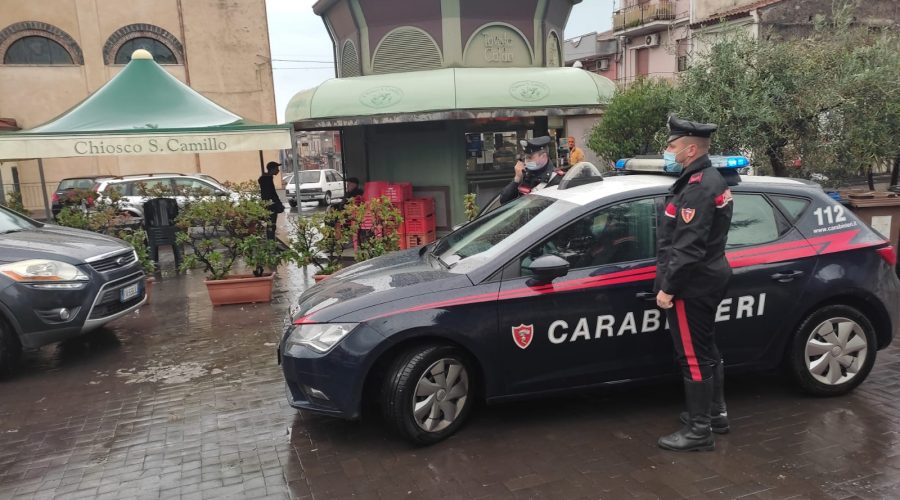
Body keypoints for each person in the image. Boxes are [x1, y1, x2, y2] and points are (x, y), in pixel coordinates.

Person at [654, 115, 734, 452]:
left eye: (671, 147)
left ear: (689, 149)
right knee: (705, 349)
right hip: (708, 277)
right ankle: (714, 414)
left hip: (692, 284)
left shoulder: (699, 187)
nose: (667, 151)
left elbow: (688, 247)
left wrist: (668, 288)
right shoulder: (706, 179)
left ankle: (700, 432)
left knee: (692, 356)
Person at [498, 136, 554, 205]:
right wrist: (517, 178)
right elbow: (504, 201)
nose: (526, 161)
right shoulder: (526, 173)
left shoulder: (556, 178)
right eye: (525, 157)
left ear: (543, 156)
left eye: (529, 157)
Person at [258, 161, 285, 240]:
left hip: (269, 204)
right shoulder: (267, 179)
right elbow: (271, 194)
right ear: (272, 169)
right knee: (271, 224)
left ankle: (271, 240)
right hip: (270, 205)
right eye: (276, 168)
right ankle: (271, 241)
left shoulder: (267, 178)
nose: (278, 170)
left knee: (271, 224)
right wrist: (277, 203)